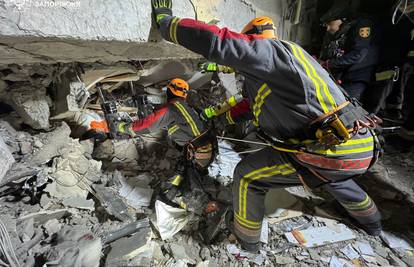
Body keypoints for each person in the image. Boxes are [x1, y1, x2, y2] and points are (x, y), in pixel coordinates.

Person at [151, 0, 382, 252]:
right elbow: (252, 104)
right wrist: (221, 120)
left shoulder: (271, 50)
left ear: (253, 40)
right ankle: (373, 224)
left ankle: (246, 241)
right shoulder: (287, 64)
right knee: (334, 178)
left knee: (247, 176)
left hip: (329, 148)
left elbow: (219, 42)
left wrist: (166, 23)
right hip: (356, 147)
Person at [81, 78, 216, 206]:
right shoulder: (186, 107)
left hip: (198, 155)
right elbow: (170, 123)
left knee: (181, 180)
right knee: (186, 175)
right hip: (208, 150)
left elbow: (147, 126)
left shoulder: (170, 108)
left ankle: (177, 200)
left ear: (169, 91)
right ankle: (179, 193)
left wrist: (122, 127)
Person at [319, 4, 380, 101]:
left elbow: (358, 54)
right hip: (346, 78)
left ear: (340, 19)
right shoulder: (347, 30)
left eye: (329, 24)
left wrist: (329, 64)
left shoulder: (362, 25)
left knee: (344, 110)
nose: (327, 28)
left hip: (356, 78)